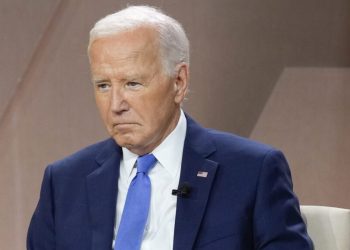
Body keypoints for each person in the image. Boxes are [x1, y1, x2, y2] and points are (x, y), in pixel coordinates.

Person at [27, 5, 313, 250]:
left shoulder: (253, 172)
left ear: (179, 82)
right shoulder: (63, 183)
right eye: (103, 85)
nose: (115, 105)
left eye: (132, 84)